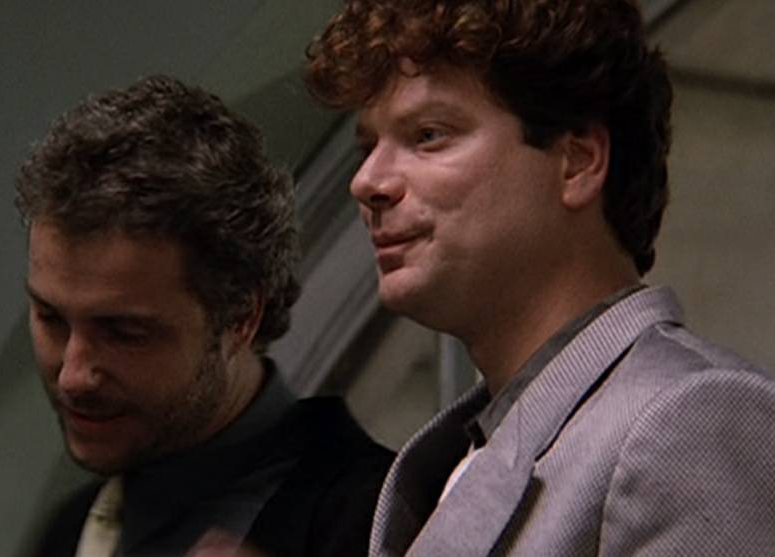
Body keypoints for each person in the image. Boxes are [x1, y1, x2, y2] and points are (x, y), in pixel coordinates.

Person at [304, 0, 775, 555]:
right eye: (367, 147)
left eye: (428, 135)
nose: (366, 181)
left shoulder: (688, 415)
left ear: (577, 161)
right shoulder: (463, 453)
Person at [14, 75, 393, 557]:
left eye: (124, 332)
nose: (73, 376)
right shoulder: (69, 531)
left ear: (240, 318)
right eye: (50, 318)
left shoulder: (384, 519)